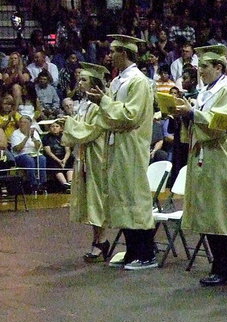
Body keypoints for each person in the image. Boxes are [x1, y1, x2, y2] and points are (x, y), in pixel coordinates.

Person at [174, 45, 227, 286]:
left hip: (220, 157)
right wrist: (185, 114)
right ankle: (219, 264)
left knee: (220, 212)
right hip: (204, 155)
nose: (200, 71)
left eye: (204, 66)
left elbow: (222, 123)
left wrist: (192, 114)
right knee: (209, 211)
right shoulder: (206, 91)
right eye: (199, 66)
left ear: (219, 67)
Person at [85, 35, 156, 271]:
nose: (109, 55)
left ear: (124, 53)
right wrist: (102, 104)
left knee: (135, 198)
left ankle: (146, 253)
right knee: (121, 198)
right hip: (117, 144)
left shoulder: (138, 81)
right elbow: (110, 115)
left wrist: (104, 102)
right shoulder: (118, 81)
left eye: (113, 51)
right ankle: (132, 251)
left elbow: (130, 116)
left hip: (131, 146)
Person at [63, 62, 109, 262]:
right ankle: (97, 239)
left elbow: (93, 130)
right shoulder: (83, 104)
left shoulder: (100, 105)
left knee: (97, 198)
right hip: (84, 154)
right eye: (79, 79)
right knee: (89, 198)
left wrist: (68, 125)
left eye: (84, 79)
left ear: (94, 83)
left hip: (97, 155)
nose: (79, 83)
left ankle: (102, 240)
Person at [10, 115, 46, 192]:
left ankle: (42, 183)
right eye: (21, 122)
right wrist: (26, 137)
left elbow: (39, 147)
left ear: (30, 124)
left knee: (42, 158)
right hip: (20, 156)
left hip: (34, 154)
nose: (22, 124)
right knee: (29, 159)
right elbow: (17, 149)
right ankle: (33, 184)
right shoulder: (15, 133)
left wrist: (33, 137)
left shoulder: (34, 132)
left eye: (25, 122)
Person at [41, 120, 73, 191]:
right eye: (52, 126)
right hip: (53, 157)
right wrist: (59, 161)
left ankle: (70, 182)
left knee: (71, 159)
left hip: (63, 156)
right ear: (50, 128)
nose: (54, 128)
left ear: (60, 128)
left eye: (57, 126)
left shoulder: (64, 136)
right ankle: (65, 184)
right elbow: (48, 152)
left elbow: (68, 150)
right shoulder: (46, 138)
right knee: (54, 163)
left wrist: (64, 160)